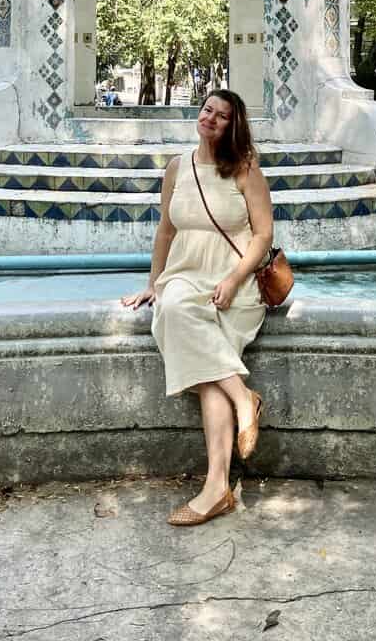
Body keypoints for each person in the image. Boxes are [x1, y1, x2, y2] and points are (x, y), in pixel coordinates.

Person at [121, 89, 273, 526]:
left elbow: (262, 236)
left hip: (234, 283)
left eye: (222, 116)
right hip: (187, 275)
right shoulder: (177, 168)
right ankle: (245, 397)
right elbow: (166, 233)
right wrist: (153, 284)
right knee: (171, 306)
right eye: (207, 110)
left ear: (233, 126)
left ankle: (216, 490)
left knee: (208, 378)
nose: (210, 118)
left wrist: (231, 280)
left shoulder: (245, 171)